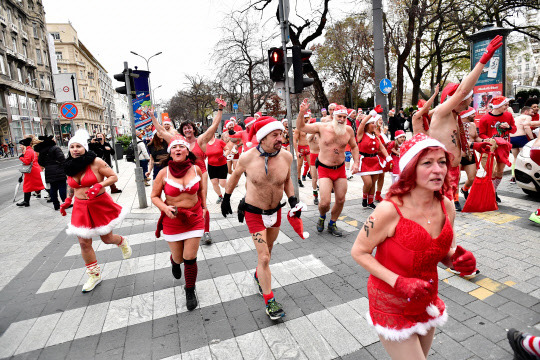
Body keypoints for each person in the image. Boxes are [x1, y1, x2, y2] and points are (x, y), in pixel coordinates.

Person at [351, 133, 477, 360]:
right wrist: (398, 281)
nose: (438, 169)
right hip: (390, 301)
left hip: (426, 298)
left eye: (441, 162)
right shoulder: (388, 210)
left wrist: (456, 260)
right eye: (427, 163)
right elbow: (359, 252)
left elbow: (438, 252)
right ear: (410, 168)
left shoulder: (447, 206)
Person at [221, 117, 299, 320]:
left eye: (281, 134)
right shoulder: (248, 157)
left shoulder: (286, 156)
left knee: (269, 252)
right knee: (263, 257)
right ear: (262, 138)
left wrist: (292, 201)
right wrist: (226, 198)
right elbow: (236, 175)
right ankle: (270, 301)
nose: (280, 138)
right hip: (254, 212)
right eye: (275, 135)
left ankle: (259, 275)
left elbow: (287, 180)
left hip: (276, 212)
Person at [428, 36, 502, 209]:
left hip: (451, 172)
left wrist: (476, 146)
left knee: (448, 219)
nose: (470, 102)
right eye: (469, 99)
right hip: (441, 174)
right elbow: (463, 90)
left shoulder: (455, 116)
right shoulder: (442, 112)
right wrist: (483, 60)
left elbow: (453, 141)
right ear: (458, 100)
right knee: (442, 219)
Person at [60, 129, 131, 293]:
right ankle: (94, 275)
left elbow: (113, 177)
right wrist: (68, 200)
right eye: (72, 147)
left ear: (85, 147)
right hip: (80, 207)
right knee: (84, 243)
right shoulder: (68, 165)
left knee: (107, 239)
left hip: (99, 204)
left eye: (78, 146)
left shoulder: (96, 162)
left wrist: (99, 185)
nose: (75, 149)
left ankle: (121, 241)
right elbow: (71, 184)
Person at [150, 97, 224, 245]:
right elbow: (160, 130)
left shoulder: (201, 140)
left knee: (202, 202)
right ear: (182, 131)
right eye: (185, 128)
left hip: (200, 172)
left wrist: (220, 109)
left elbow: (214, 126)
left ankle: (206, 231)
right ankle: (182, 227)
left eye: (189, 128)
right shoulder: (177, 142)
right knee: (182, 200)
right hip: (181, 174)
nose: (187, 130)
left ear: (194, 129)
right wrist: (152, 116)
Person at [151, 134, 205, 311]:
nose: (178, 149)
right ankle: (174, 262)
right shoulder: (162, 173)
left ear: (187, 151)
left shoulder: (196, 170)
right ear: (170, 153)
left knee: (190, 257)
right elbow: (154, 196)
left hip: (194, 217)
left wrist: (204, 207)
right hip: (172, 220)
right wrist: (164, 208)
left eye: (181, 147)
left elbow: (202, 190)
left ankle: (190, 289)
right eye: (174, 147)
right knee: (179, 257)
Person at [297, 101, 359, 237]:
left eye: (344, 117)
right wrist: (302, 112)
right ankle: (322, 216)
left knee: (341, 199)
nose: (342, 120)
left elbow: (354, 146)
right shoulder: (322, 127)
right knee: (324, 202)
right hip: (325, 168)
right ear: (334, 116)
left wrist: (356, 163)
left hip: (340, 169)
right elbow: (301, 126)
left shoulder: (348, 130)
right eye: (339, 117)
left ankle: (332, 223)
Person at [478, 96, 516, 203]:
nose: (507, 107)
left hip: (504, 148)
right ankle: (491, 193)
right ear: (498, 106)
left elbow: (514, 129)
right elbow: (481, 134)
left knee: (499, 172)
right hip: (491, 148)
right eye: (505, 105)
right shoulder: (484, 118)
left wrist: (508, 127)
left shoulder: (508, 115)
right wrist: (490, 139)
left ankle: (494, 191)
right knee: (492, 172)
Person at [356, 108, 392, 209]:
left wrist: (389, 158)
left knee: (373, 183)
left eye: (374, 123)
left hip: (375, 161)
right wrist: (372, 113)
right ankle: (364, 198)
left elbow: (381, 147)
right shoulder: (361, 134)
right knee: (368, 183)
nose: (375, 125)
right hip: (364, 161)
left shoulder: (375, 136)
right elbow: (362, 123)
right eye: (372, 123)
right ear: (367, 125)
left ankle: (370, 201)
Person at [35, 135, 67, 210]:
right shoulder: (55, 148)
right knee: (62, 187)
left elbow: (40, 162)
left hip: (49, 171)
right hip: (59, 169)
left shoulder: (42, 150)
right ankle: (65, 203)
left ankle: (56, 205)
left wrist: (48, 165)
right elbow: (62, 159)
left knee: (53, 188)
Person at [458, 107, 481, 202]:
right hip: (457, 155)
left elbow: (476, 138)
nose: (474, 115)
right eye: (472, 114)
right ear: (466, 115)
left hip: (470, 154)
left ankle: (464, 189)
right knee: (456, 178)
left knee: (472, 177)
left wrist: (484, 141)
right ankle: (455, 200)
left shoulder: (472, 125)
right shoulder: (455, 125)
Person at [16, 136, 45, 207]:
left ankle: (26, 201)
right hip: (34, 169)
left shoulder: (28, 151)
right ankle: (26, 201)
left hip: (32, 171)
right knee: (37, 185)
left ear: (24, 145)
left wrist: (21, 158)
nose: (20, 146)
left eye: (21, 145)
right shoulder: (30, 150)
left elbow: (27, 162)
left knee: (30, 186)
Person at [510, 106, 534, 183]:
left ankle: (513, 177)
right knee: (525, 158)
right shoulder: (527, 117)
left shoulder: (516, 118)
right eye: (531, 111)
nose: (533, 113)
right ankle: (525, 177)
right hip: (521, 137)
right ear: (526, 112)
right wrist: (532, 138)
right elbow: (526, 127)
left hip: (512, 138)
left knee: (515, 158)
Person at [206, 134, 228, 204]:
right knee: (214, 183)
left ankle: (228, 194)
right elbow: (203, 154)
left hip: (222, 165)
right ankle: (220, 197)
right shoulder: (205, 144)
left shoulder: (219, 141)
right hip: (211, 166)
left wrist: (224, 155)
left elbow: (227, 149)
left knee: (222, 184)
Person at [374, 116, 391, 202]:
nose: (381, 121)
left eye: (381, 119)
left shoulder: (381, 130)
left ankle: (378, 194)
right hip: (376, 156)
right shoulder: (374, 131)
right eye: (379, 120)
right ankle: (369, 195)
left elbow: (386, 144)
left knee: (382, 176)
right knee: (374, 177)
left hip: (383, 156)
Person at [293, 111, 311, 187]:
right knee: (299, 165)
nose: (307, 120)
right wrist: (296, 152)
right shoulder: (298, 129)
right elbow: (294, 140)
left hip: (309, 148)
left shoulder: (310, 127)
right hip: (301, 148)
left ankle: (315, 181)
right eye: (305, 118)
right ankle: (298, 179)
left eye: (308, 118)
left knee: (312, 165)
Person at [306, 119, 320, 205]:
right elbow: (308, 138)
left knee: (323, 177)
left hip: (322, 155)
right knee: (314, 178)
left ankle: (326, 194)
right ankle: (315, 195)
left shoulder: (321, 133)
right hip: (313, 156)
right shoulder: (310, 134)